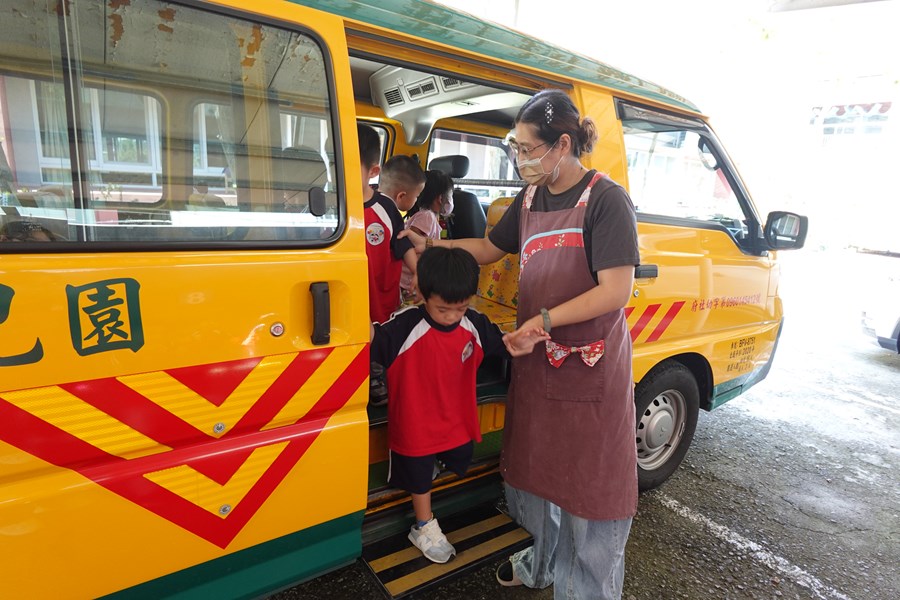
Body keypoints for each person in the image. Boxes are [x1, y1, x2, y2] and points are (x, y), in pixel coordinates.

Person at [399, 89, 640, 599]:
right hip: (538, 364)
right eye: (517, 148)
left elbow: (615, 290)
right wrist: (433, 243)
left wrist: (543, 320)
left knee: (589, 493)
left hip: (588, 370)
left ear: (563, 145)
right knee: (538, 481)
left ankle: (586, 589)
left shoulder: (606, 199)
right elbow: (489, 248)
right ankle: (541, 564)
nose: (521, 159)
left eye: (528, 149)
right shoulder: (529, 199)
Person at [370, 246, 548, 563]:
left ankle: (434, 470)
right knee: (419, 476)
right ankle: (423, 525)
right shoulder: (404, 326)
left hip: (455, 418)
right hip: (415, 423)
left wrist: (517, 342)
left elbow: (501, 345)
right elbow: (372, 341)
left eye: (461, 308)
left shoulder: (474, 323)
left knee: (458, 456)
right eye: (443, 310)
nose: (452, 317)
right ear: (423, 294)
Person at [359, 124, 425, 323]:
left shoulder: (385, 207)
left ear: (373, 171)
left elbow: (403, 243)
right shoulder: (333, 207)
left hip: (382, 300)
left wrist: (417, 272)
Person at [400, 169, 454, 301]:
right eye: (451, 196)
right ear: (441, 198)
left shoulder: (425, 216)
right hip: (410, 281)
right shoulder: (427, 217)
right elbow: (413, 246)